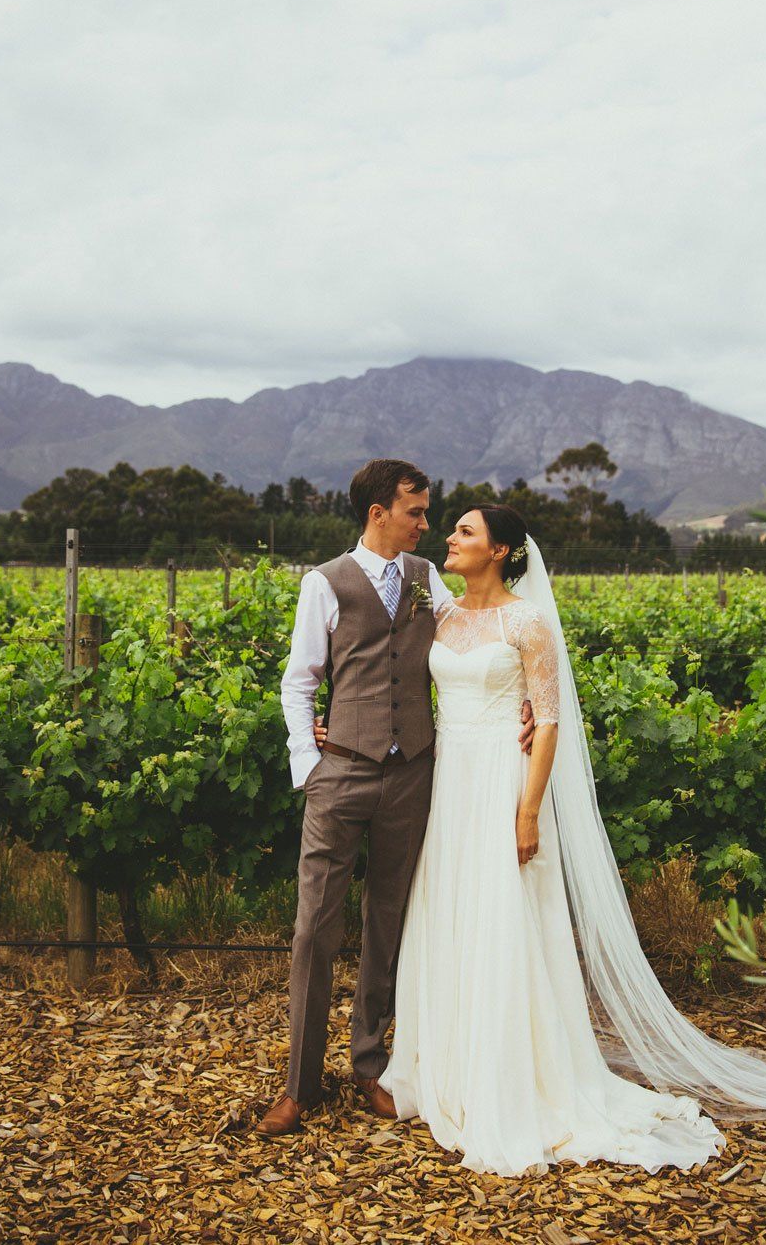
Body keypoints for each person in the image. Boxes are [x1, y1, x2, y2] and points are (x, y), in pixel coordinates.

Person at [373, 505, 766, 1177]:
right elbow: (394, 679)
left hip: (502, 781)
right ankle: (452, 1067)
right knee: (453, 915)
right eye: (452, 529)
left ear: (500, 550)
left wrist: (527, 813)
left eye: (465, 531)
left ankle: (512, 1078)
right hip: (450, 783)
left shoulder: (528, 621)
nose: (450, 539)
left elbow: (546, 723)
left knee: (506, 921)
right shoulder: (441, 614)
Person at [256, 462, 534, 1137]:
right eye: (416, 510)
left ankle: (369, 1064)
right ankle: (300, 1086)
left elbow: (477, 639)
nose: (426, 522)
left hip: (413, 773)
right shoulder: (324, 583)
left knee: (389, 922)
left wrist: (525, 698)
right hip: (341, 774)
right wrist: (309, 765)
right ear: (380, 511)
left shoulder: (426, 580)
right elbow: (299, 682)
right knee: (314, 930)